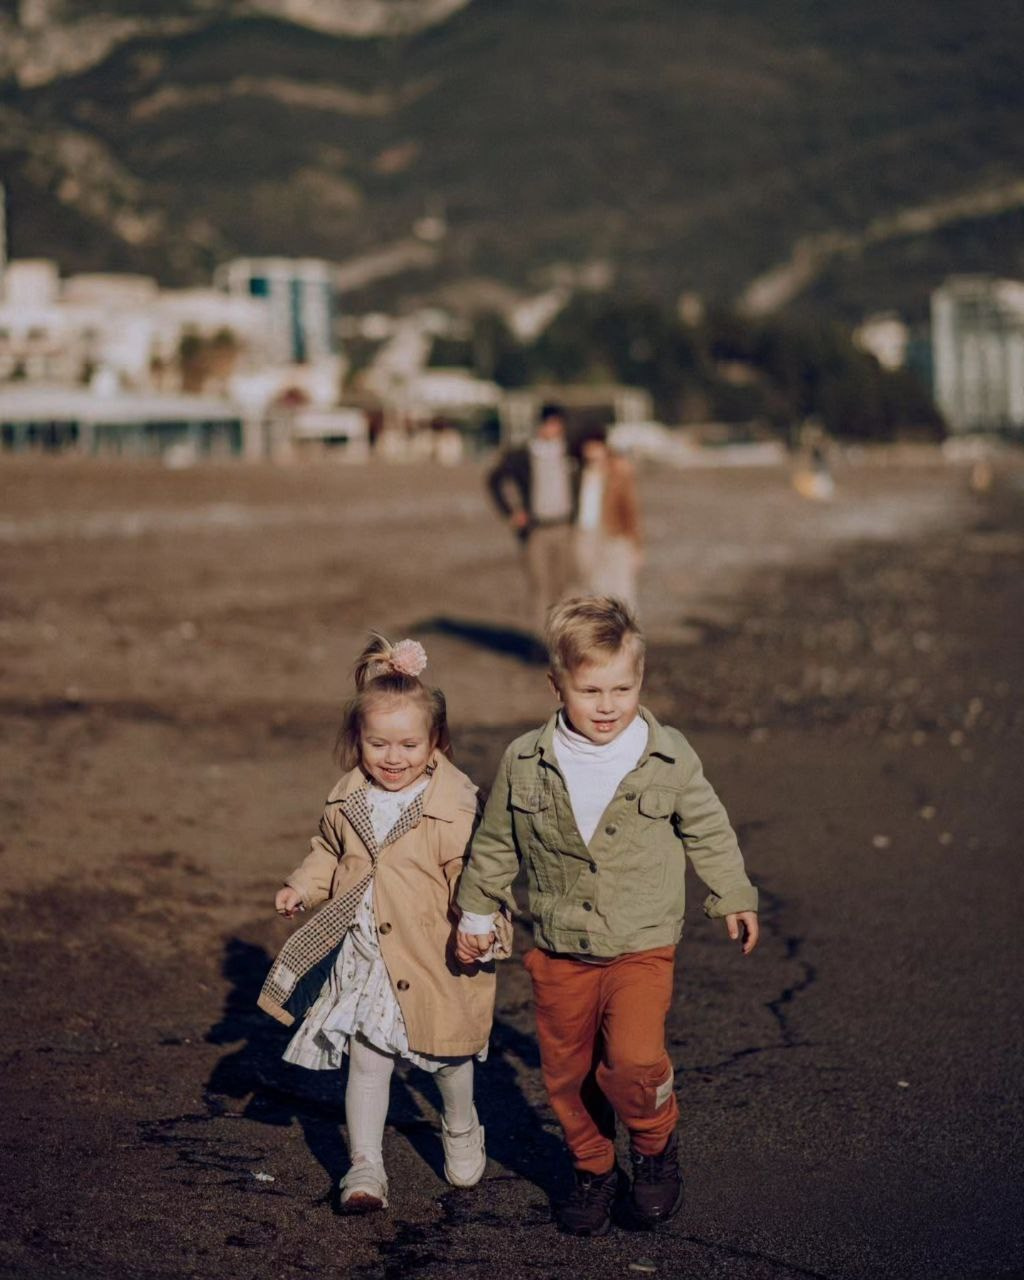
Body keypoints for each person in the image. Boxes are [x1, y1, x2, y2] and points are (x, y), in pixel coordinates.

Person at [454, 597, 759, 1236]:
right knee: (566, 1075)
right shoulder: (525, 759)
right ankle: (593, 1169)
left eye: (622, 687)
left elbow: (708, 828)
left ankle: (654, 1149)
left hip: (641, 943)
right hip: (562, 943)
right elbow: (495, 843)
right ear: (556, 685)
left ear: (640, 682)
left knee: (634, 1060)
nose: (607, 704)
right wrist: (477, 912)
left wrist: (733, 894)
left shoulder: (668, 755)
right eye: (589, 688)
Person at [258, 635, 498, 1213]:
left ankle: (461, 1124)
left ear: (435, 741)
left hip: (434, 952)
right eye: (378, 744)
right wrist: (303, 884)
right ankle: (364, 1166)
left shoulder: (454, 806)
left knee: (446, 1056)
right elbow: (328, 850)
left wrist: (484, 926)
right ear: (357, 742)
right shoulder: (348, 801)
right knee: (367, 1061)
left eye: (409, 744)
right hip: (367, 955)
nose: (394, 758)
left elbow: (482, 875)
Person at [486, 402, 579, 642]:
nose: (552, 429)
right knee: (539, 587)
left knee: (562, 585)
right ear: (540, 425)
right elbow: (494, 479)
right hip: (535, 530)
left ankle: (562, 639)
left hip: (565, 527)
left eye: (557, 424)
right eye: (548, 423)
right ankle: (540, 641)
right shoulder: (523, 454)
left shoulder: (570, 452)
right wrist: (511, 512)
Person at [575, 428, 643, 610]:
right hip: (586, 535)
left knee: (623, 594)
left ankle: (628, 637)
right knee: (596, 592)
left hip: (614, 535)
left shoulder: (619, 472)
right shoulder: (579, 473)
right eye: (588, 448)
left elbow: (630, 510)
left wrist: (636, 546)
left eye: (596, 447)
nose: (592, 452)